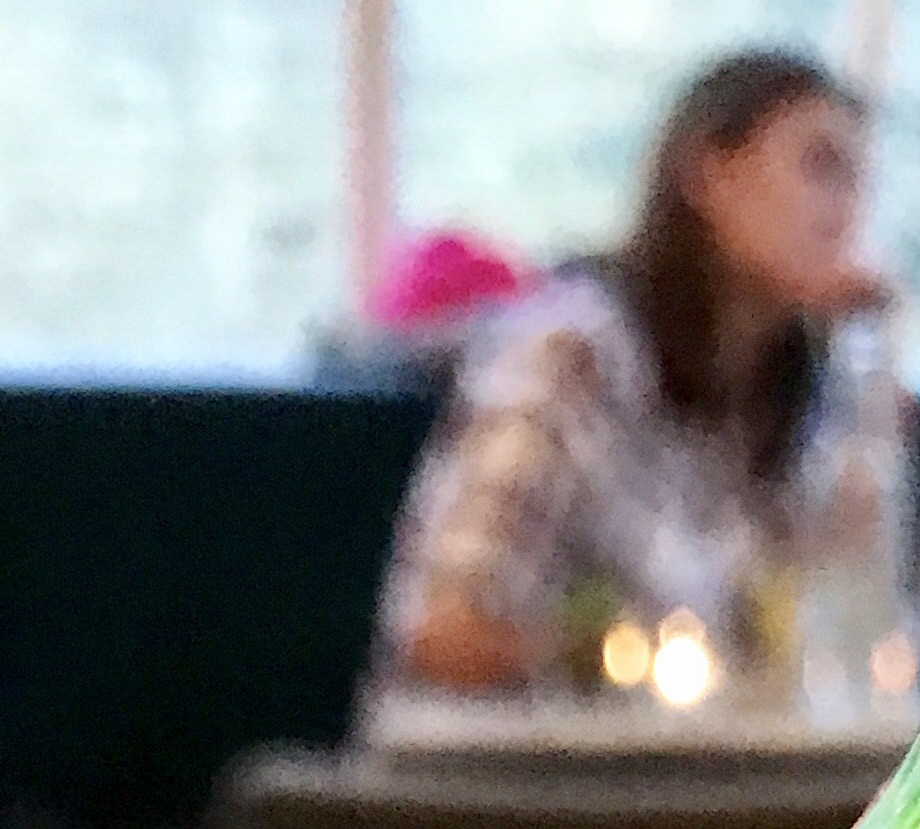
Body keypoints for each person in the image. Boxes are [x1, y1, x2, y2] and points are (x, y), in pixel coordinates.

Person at [377, 50, 892, 692]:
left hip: (703, 752)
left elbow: (844, 624)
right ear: (711, 172)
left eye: (859, 182)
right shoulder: (569, 354)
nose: (846, 212)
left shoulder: (798, 390)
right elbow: (443, 631)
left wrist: (874, 365)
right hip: (515, 750)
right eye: (821, 166)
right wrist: (620, 657)